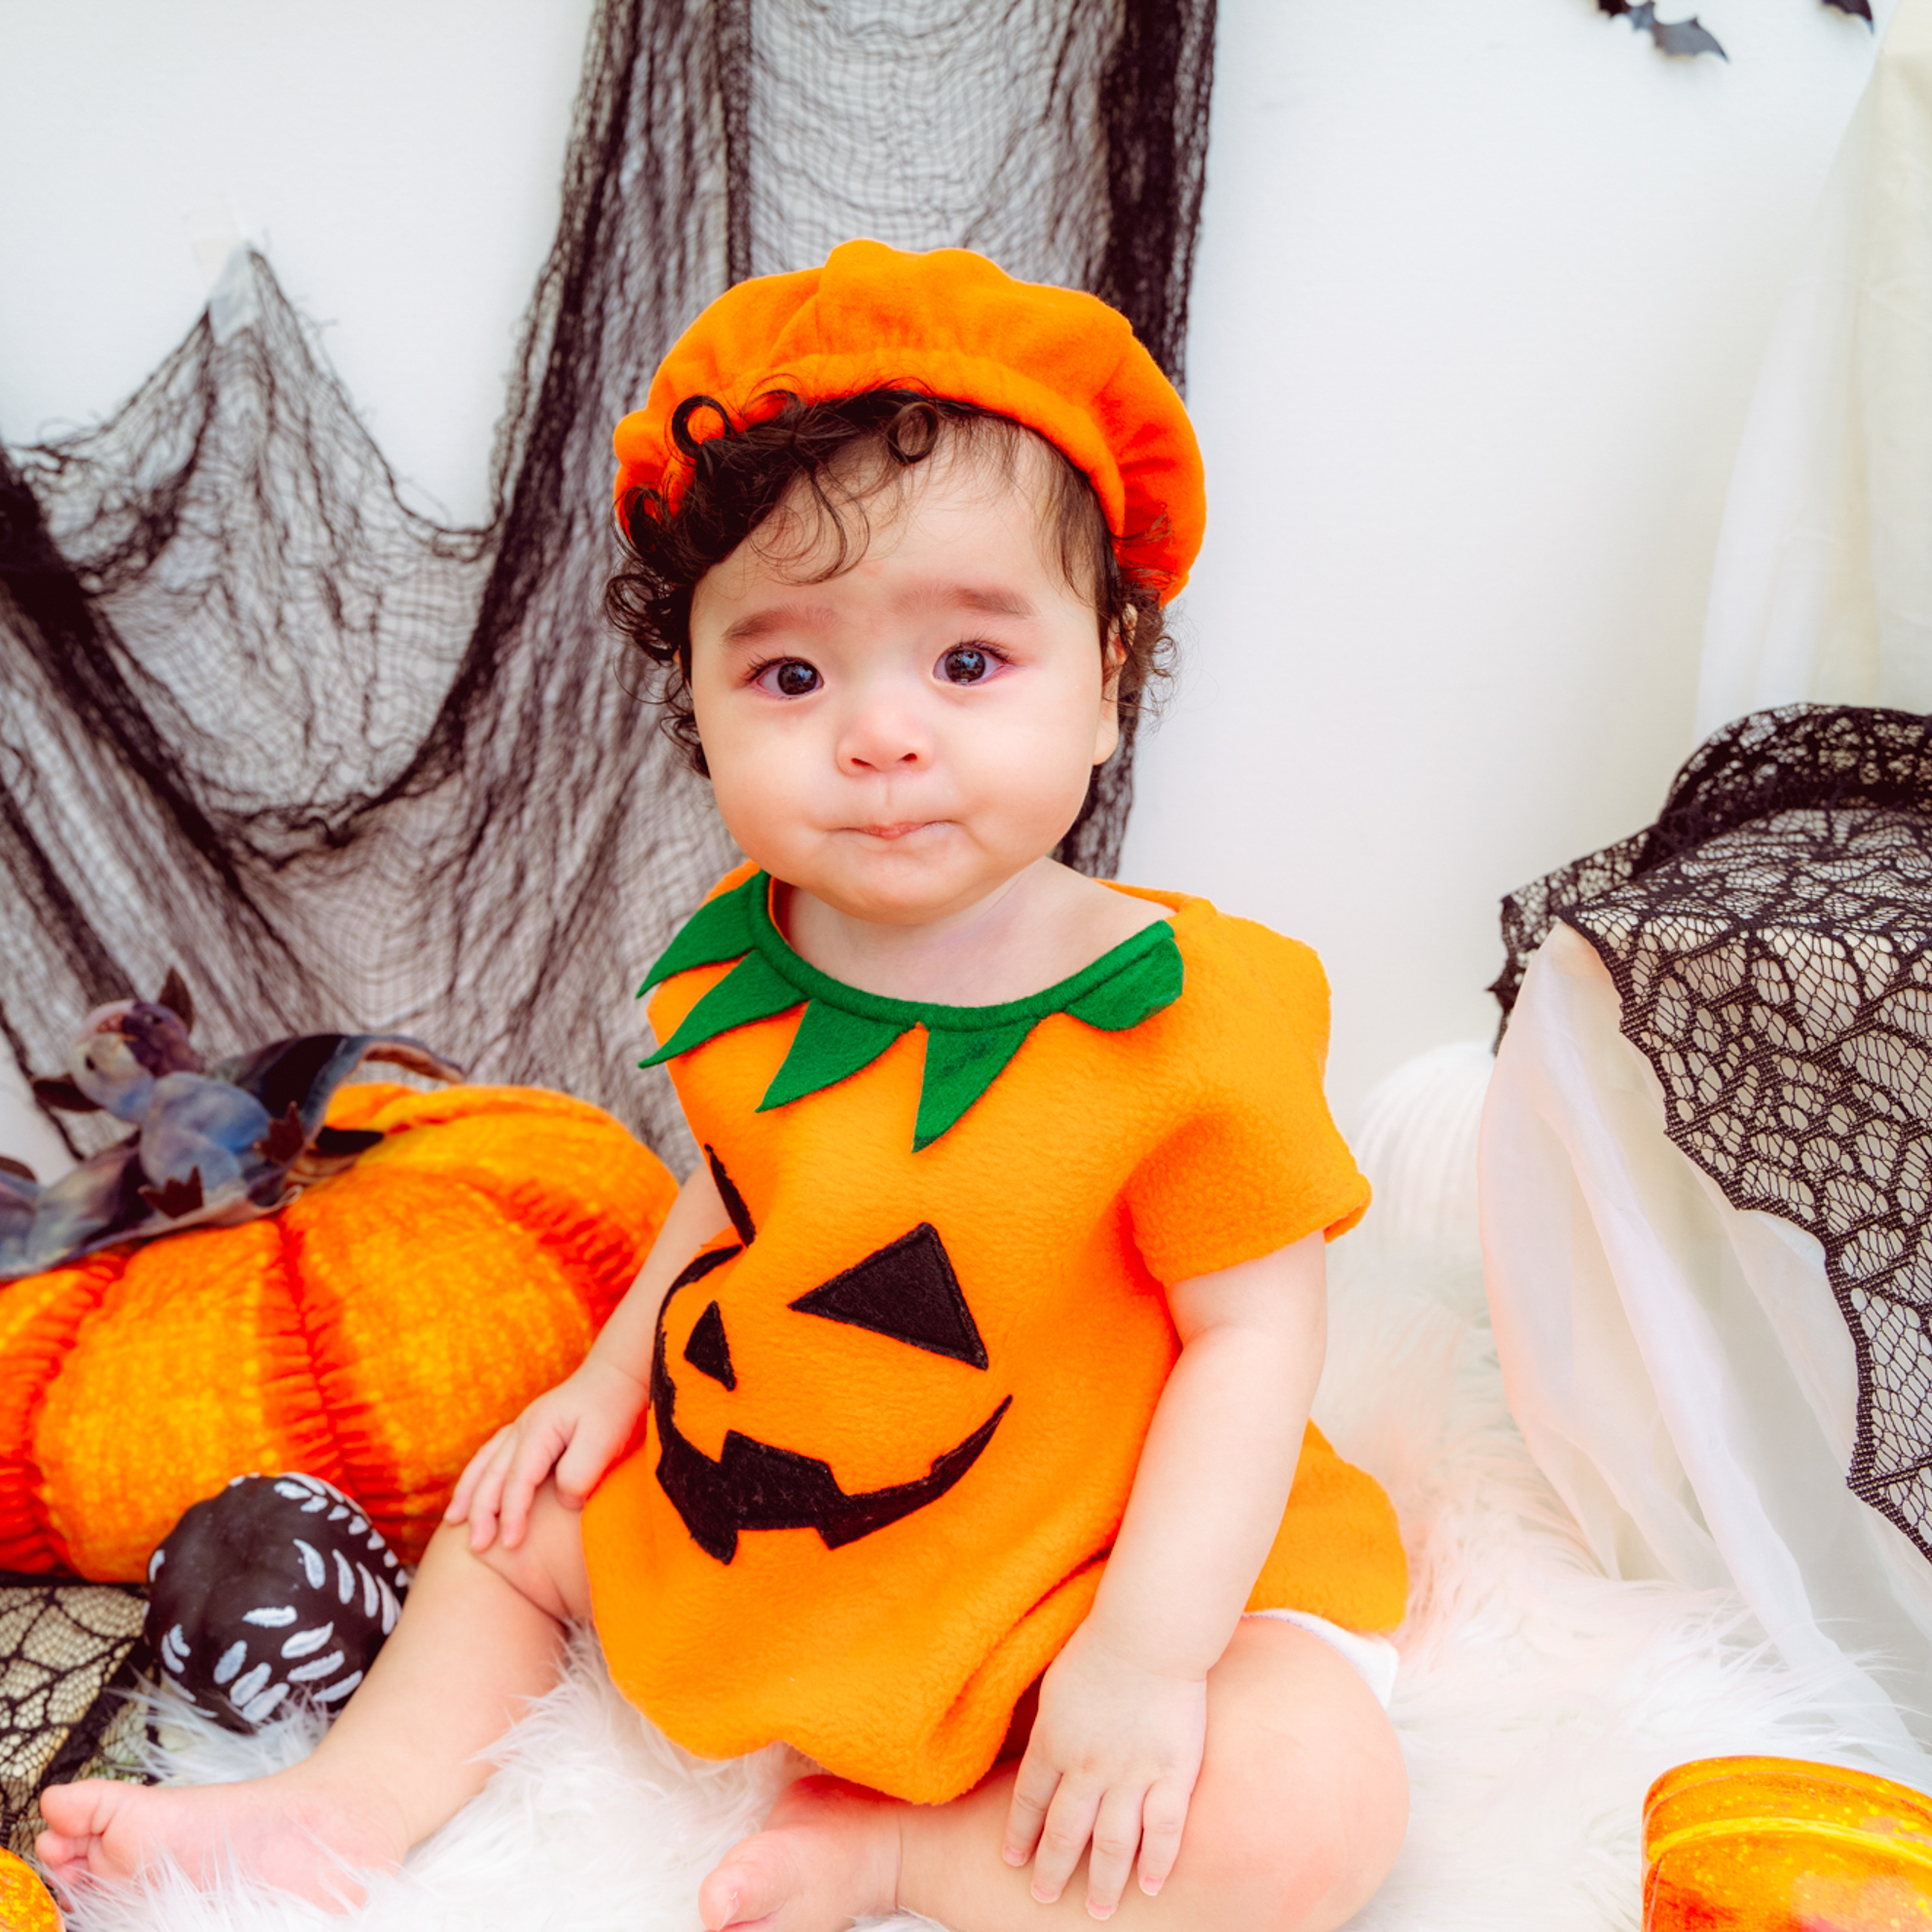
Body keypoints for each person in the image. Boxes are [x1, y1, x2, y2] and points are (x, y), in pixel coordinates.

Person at [38, 241, 1411, 1932]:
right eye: (791, 676)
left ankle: (901, 1855)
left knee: (1307, 1811)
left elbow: (1254, 1337)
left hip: (1098, 1548)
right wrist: (608, 1382)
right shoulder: (747, 963)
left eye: (967, 664)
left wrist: (1144, 1658)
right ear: (695, 702)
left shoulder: (1192, 1020)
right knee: (514, 1511)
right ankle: (337, 1810)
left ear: (1111, 681)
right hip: (786, 1495)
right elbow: (735, 1190)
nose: (880, 737)